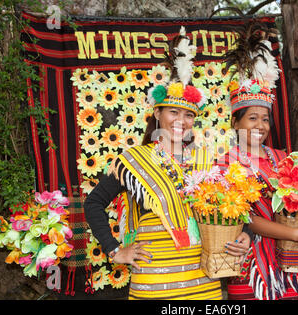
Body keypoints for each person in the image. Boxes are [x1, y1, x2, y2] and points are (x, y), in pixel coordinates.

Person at [84, 27, 248, 300]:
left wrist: (246, 235)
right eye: (173, 112)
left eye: (187, 115)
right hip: (154, 278)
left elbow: (230, 208)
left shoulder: (205, 159)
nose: (180, 122)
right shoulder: (133, 160)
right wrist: (115, 251)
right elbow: (93, 204)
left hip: (203, 277)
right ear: (157, 112)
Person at [218, 23, 298, 300]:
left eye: (265, 118)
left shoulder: (284, 158)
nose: (261, 125)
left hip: (293, 263)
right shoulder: (224, 164)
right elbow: (244, 217)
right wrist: (292, 234)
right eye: (252, 118)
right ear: (235, 122)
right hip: (250, 267)